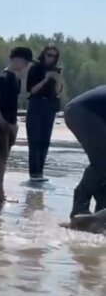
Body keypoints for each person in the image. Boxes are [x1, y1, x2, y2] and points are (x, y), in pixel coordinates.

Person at [0, 47, 33, 201]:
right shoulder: (2, 77)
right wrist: (1, 121)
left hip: (11, 123)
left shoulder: (17, 79)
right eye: (26, 62)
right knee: (2, 155)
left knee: (5, 156)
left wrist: (14, 124)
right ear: (17, 59)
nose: (26, 66)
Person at [66, 85, 106, 218]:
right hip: (83, 112)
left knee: (101, 163)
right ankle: (79, 210)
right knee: (102, 163)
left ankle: (100, 210)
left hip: (80, 111)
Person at [26, 44, 63, 182]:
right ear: (43, 55)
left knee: (45, 140)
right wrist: (46, 79)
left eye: (54, 56)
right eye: (49, 55)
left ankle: (40, 171)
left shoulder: (56, 70)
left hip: (50, 106)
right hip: (36, 104)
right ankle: (34, 172)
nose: (51, 59)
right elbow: (31, 90)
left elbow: (58, 90)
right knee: (34, 139)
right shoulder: (35, 68)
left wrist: (57, 78)